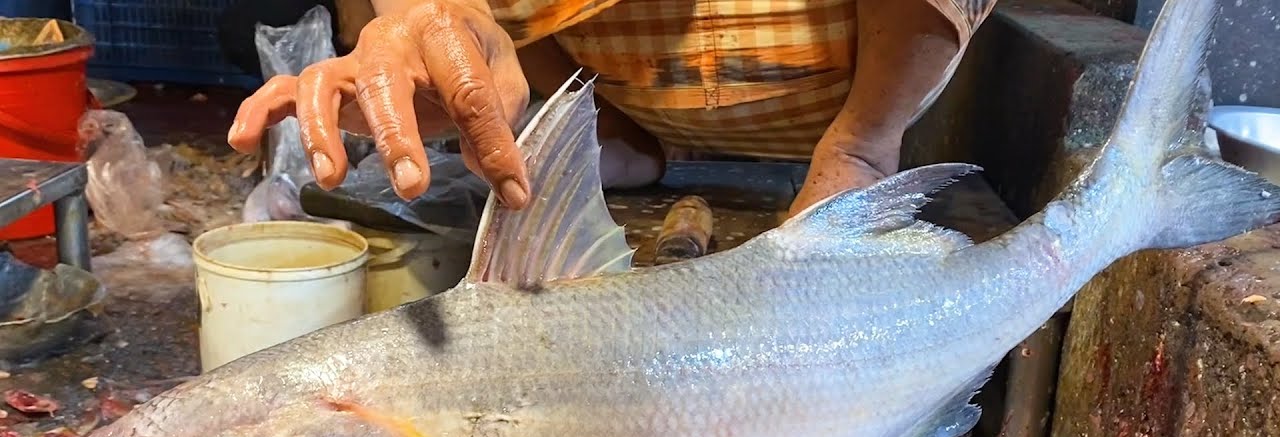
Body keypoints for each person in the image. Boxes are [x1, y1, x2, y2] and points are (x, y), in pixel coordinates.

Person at [227, 0, 996, 218]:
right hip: (627, 95)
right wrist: (438, 45)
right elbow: (442, 15)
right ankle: (612, 134)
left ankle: (862, 145)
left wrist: (861, 143)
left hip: (844, 92)